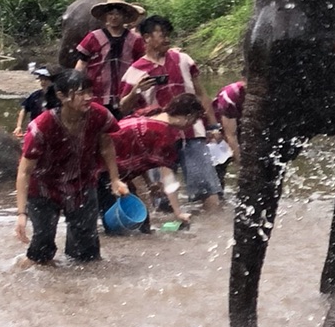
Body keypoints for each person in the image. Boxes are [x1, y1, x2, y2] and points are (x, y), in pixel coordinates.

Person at [14, 68, 130, 266]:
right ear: (62, 96)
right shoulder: (42, 126)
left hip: (82, 184)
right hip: (44, 188)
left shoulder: (98, 115)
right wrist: (21, 213)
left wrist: (114, 179)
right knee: (42, 251)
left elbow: (106, 144)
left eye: (90, 92)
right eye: (81, 93)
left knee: (86, 252)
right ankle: (22, 270)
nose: (88, 98)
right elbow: (25, 171)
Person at [119, 14, 223, 211]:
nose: (167, 39)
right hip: (156, 139)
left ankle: (212, 226)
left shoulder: (183, 60)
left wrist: (213, 125)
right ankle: (172, 228)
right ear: (147, 37)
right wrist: (136, 91)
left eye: (168, 35)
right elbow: (123, 108)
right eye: (162, 35)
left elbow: (201, 94)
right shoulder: (135, 71)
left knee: (207, 189)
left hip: (192, 133)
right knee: (162, 196)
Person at [112, 94, 206, 228]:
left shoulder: (153, 113)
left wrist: (150, 184)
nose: (192, 124)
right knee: (136, 224)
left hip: (101, 162)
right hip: (106, 172)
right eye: (195, 120)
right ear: (189, 116)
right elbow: (168, 178)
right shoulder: (164, 134)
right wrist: (178, 213)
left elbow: (136, 153)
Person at [74, 0, 144, 113]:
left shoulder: (135, 40)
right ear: (106, 16)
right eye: (110, 14)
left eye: (118, 14)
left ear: (124, 16)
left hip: (126, 96)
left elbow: (141, 65)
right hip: (98, 96)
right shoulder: (93, 37)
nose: (114, 17)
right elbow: (82, 63)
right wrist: (77, 86)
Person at [16, 65, 59, 137]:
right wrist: (19, 126)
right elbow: (24, 109)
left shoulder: (57, 98)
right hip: (35, 129)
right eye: (41, 79)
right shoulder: (35, 95)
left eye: (46, 79)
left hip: (52, 131)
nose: (43, 82)